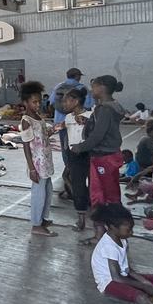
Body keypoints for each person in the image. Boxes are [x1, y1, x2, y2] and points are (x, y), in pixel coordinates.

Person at [70, 75, 125, 243]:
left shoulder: (106, 109)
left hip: (104, 158)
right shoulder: (108, 108)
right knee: (103, 196)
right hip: (105, 157)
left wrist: (81, 146)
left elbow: (98, 136)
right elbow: (103, 127)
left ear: (102, 88)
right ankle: (104, 233)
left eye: (93, 87)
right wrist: (89, 121)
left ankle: (114, 232)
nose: (91, 90)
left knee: (105, 197)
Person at [90, 203, 153, 304]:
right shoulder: (109, 247)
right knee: (141, 297)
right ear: (112, 227)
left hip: (121, 276)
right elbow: (116, 278)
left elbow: (127, 269)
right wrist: (143, 286)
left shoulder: (122, 240)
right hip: (109, 283)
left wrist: (144, 281)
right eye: (128, 230)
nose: (131, 233)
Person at [19, 81, 56, 237]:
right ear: (25, 102)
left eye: (39, 101)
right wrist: (32, 168)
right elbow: (26, 146)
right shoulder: (27, 120)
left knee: (48, 191)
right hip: (37, 163)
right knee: (39, 194)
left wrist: (52, 131)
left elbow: (42, 136)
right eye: (34, 102)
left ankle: (43, 218)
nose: (38, 104)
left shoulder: (38, 117)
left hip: (45, 160)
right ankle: (36, 224)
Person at [61, 88, 93, 231]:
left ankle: (97, 212)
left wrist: (88, 122)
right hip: (74, 154)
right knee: (78, 185)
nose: (63, 104)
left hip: (89, 153)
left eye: (66, 101)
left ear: (76, 101)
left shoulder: (91, 115)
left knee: (94, 183)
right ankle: (81, 219)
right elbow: (67, 134)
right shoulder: (68, 117)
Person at [50, 68, 93, 165]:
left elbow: (52, 101)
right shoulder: (82, 88)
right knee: (80, 144)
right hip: (79, 122)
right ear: (77, 76)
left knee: (65, 147)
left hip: (61, 122)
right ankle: (80, 167)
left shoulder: (58, 86)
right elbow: (89, 104)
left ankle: (68, 168)